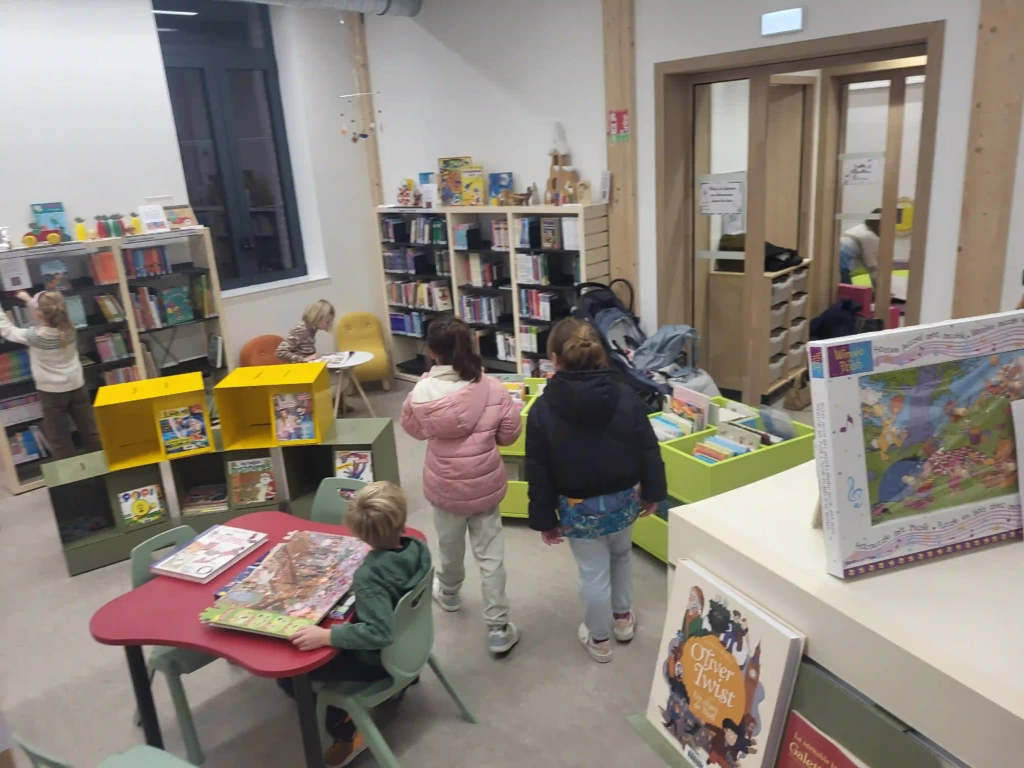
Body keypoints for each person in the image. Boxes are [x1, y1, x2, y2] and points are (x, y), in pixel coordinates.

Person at [526, 318, 666, 663]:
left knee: (593, 573)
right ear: (602, 355)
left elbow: (538, 469)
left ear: (554, 359)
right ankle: (622, 620)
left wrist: (544, 518)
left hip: (578, 507)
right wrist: (653, 492)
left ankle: (600, 639)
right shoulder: (627, 396)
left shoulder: (543, 408)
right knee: (621, 557)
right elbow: (648, 447)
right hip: (624, 500)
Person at [284, 481, 431, 766]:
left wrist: (327, 638)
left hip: (380, 659)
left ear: (359, 533)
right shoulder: (417, 546)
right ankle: (401, 686)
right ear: (402, 519)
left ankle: (346, 731)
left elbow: (379, 632)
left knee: (290, 674)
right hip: (412, 643)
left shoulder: (370, 577)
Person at [400, 317, 523, 655]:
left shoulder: (420, 392)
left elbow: (412, 429)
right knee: (491, 555)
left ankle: (450, 593)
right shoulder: (492, 387)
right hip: (483, 485)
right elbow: (510, 434)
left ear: (430, 351)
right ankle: (498, 627)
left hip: (444, 486)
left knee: (449, 544)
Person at [0, 290, 101, 460]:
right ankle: (104, 470)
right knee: (90, 432)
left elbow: (7, 330)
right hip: (77, 385)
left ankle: (70, 480)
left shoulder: (34, 336)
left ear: (38, 314)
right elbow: (49, 309)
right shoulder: (70, 329)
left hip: (52, 393)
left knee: (60, 440)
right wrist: (27, 299)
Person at [839, 209, 881, 286]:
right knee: (848, 294)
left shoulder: (859, 228)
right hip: (841, 265)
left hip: (833, 262)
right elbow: (872, 267)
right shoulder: (870, 237)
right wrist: (880, 290)